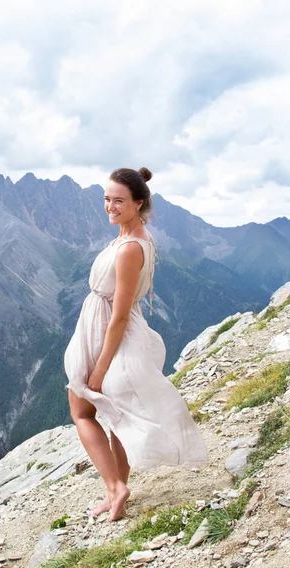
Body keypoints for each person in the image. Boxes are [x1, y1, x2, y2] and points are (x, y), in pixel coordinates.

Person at [64, 167, 208, 522]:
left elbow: (121, 316)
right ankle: (117, 494)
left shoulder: (129, 248)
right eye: (107, 199)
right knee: (116, 417)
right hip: (102, 326)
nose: (110, 207)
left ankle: (116, 487)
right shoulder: (135, 237)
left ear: (138, 203)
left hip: (107, 333)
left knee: (82, 412)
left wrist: (100, 366)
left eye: (119, 201)